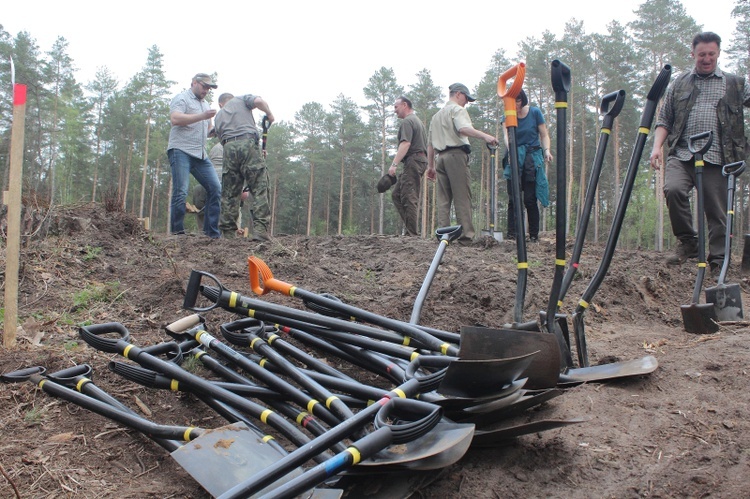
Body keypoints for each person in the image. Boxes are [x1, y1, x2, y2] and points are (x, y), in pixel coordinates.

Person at [649, 32, 750, 273]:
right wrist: (656, 148)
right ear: (693, 54)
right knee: (673, 189)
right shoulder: (680, 83)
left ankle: (718, 260)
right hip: (683, 154)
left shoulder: (735, 83)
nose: (706, 59)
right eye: (702, 54)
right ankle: (688, 242)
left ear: (718, 53)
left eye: (711, 54)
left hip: (719, 157)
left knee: (716, 210)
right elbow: (664, 119)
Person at [427, 83, 498, 245]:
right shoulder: (457, 110)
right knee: (462, 196)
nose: (466, 102)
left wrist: (430, 166)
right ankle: (466, 236)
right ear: (458, 94)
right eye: (466, 98)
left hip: (440, 159)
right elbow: (463, 129)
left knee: (444, 199)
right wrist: (485, 136)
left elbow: (430, 144)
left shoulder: (436, 116)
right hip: (456, 156)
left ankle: (443, 235)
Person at [213, 92, 275, 240]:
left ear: (220, 104)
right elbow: (259, 101)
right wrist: (269, 113)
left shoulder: (218, 116)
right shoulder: (241, 99)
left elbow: (218, 136)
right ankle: (260, 230)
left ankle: (228, 234)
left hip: (228, 148)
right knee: (260, 187)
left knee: (230, 193)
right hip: (247, 143)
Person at [167, 73, 222, 238]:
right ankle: (178, 232)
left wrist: (220, 130)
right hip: (181, 150)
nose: (206, 90)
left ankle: (210, 233)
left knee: (215, 188)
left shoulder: (206, 105)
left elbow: (208, 131)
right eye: (204, 86)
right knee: (181, 191)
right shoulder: (182, 98)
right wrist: (202, 117)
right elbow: (175, 119)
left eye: (209, 88)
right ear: (194, 83)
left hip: (200, 155)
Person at [502, 89, 551, 242]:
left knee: (530, 198)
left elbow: (544, 134)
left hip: (531, 157)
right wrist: (511, 152)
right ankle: (512, 234)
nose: (515, 105)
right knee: (513, 198)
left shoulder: (535, 113)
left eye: (517, 101)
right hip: (514, 157)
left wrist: (547, 150)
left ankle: (534, 235)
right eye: (512, 101)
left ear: (522, 100)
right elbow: (506, 136)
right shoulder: (507, 116)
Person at [388, 96, 428, 236]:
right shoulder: (417, 121)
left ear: (405, 105)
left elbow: (406, 144)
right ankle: (410, 231)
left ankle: (412, 235)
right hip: (419, 160)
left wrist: (394, 164)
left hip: (414, 161)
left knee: (409, 196)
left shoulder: (408, 121)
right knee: (397, 194)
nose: (394, 110)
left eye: (396, 107)